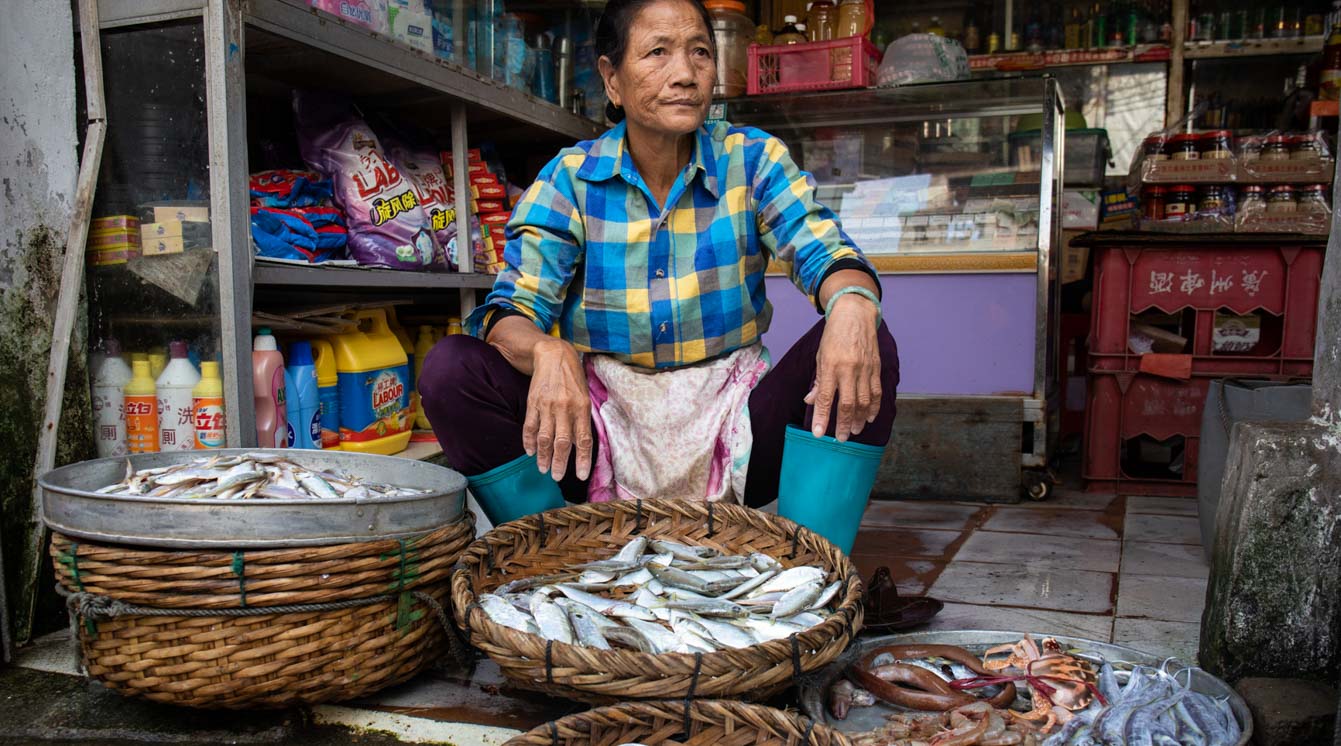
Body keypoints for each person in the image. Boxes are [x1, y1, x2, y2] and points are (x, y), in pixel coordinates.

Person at [420, 0, 898, 553]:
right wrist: (550, 353)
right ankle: (558, 562)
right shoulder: (571, 179)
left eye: (700, 52)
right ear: (611, 79)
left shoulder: (754, 160)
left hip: (733, 424)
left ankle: (811, 577)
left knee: (867, 336)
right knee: (452, 370)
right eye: (657, 53)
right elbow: (510, 312)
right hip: (599, 431)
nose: (685, 74)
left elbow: (823, 250)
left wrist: (853, 306)